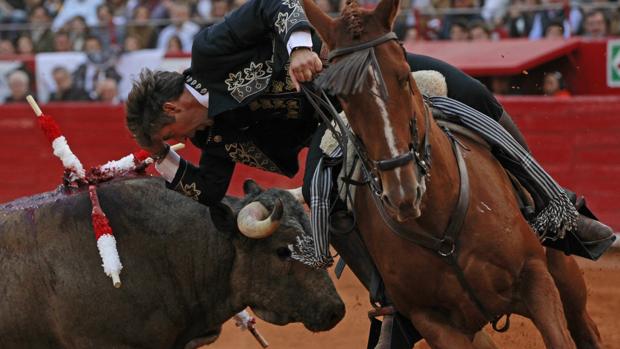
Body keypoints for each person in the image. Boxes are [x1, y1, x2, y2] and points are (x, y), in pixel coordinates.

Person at [125, 0, 613, 266]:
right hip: (327, 126)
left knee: (469, 93)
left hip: (356, 70)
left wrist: (298, 48)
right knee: (327, 199)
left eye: (169, 136)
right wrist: (159, 161)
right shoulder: (208, 135)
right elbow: (210, 190)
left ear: (172, 108)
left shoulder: (210, 50)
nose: (179, 143)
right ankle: (389, 303)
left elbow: (274, 6)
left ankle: (556, 208)